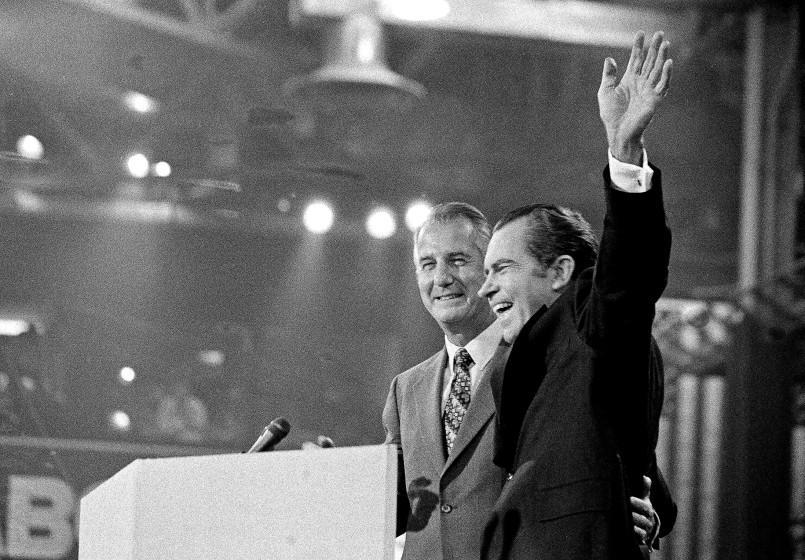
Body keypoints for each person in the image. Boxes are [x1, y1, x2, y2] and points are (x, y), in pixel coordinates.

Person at [383, 194, 674, 556]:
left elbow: (632, 465)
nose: (441, 277)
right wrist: (326, 476)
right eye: (427, 264)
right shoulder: (406, 388)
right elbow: (393, 506)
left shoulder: (552, 360)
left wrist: (637, 512)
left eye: (458, 261)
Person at [477, 30, 674, 560]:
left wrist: (625, 150)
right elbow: (600, 443)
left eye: (503, 268)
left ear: (562, 271)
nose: (484, 285)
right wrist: (645, 497)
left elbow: (626, 281)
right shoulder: (518, 360)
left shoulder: (591, 326)